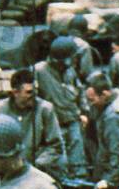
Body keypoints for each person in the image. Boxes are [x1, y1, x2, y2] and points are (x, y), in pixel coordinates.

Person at [0, 68, 66, 180]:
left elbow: (55, 145)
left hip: (38, 172)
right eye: (29, 92)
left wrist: (36, 165)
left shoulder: (45, 109)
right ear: (15, 92)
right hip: (6, 171)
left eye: (35, 90)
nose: (34, 95)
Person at [33, 36, 88, 180]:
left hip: (73, 119)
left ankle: (79, 183)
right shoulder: (39, 70)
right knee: (58, 160)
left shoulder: (70, 71)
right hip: (53, 123)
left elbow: (80, 90)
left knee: (78, 159)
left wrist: (84, 111)